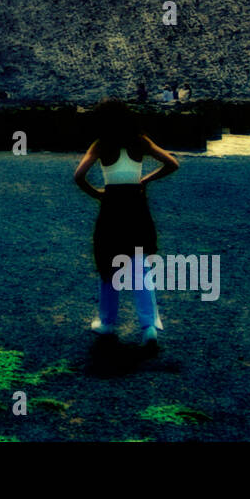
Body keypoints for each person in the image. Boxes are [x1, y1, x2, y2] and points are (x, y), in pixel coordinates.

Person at [72, 98, 180, 347]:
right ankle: (149, 326)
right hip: (136, 205)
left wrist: (97, 193)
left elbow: (78, 176)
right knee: (140, 267)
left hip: (112, 205)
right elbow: (172, 163)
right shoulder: (139, 140)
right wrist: (146, 180)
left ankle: (107, 323)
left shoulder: (100, 144)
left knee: (108, 265)